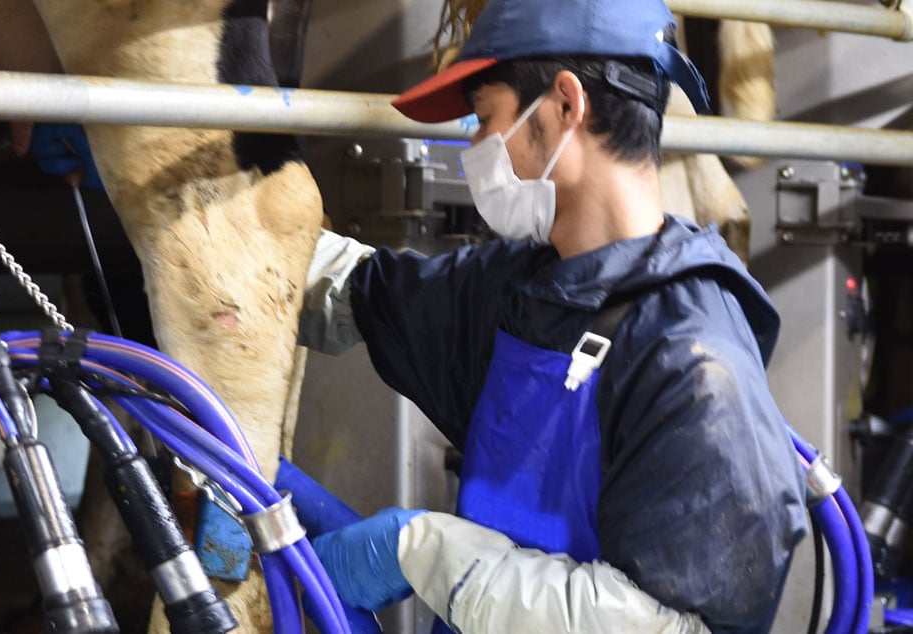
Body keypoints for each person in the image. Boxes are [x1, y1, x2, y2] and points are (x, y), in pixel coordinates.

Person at [292, 0, 808, 631]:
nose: (475, 148)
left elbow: (665, 625)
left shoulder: (694, 359)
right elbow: (356, 290)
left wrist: (421, 552)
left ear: (566, 105)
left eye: (485, 119)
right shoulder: (524, 290)